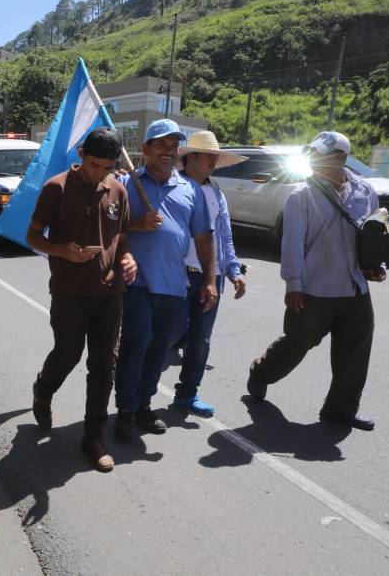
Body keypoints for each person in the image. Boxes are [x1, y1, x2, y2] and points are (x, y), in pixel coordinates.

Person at [247, 131, 385, 431]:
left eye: (320, 155)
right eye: (310, 154)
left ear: (341, 158)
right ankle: (262, 372)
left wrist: (376, 265)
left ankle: (341, 409)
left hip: (355, 286)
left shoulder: (364, 191)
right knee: (298, 342)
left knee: (356, 349)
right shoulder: (302, 195)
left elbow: (374, 232)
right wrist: (293, 284)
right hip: (314, 288)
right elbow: (292, 243)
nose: (313, 160)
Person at [26, 127, 137, 473]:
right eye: (93, 165)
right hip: (69, 292)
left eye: (107, 167)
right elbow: (33, 236)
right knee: (68, 354)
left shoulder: (118, 190)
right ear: (81, 155)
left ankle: (93, 438)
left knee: (104, 366)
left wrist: (127, 259)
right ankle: (43, 388)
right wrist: (61, 250)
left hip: (110, 293)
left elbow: (122, 238)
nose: (99, 173)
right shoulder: (56, 188)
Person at [113, 119, 216, 441]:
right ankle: (125, 411)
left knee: (158, 351)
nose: (169, 151)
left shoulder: (190, 189)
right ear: (145, 149)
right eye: (161, 144)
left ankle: (143, 406)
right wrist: (136, 224)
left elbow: (204, 237)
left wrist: (210, 280)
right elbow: (107, 227)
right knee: (135, 346)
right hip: (136, 284)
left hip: (174, 286)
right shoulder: (125, 183)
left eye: (174, 146)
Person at [172, 131, 248, 418]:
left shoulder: (215, 191)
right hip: (177, 273)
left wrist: (232, 270)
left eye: (216, 157)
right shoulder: (172, 187)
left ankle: (187, 393)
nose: (214, 161)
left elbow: (224, 235)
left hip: (209, 276)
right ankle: (137, 394)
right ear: (190, 157)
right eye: (209, 156)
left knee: (200, 338)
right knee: (168, 332)